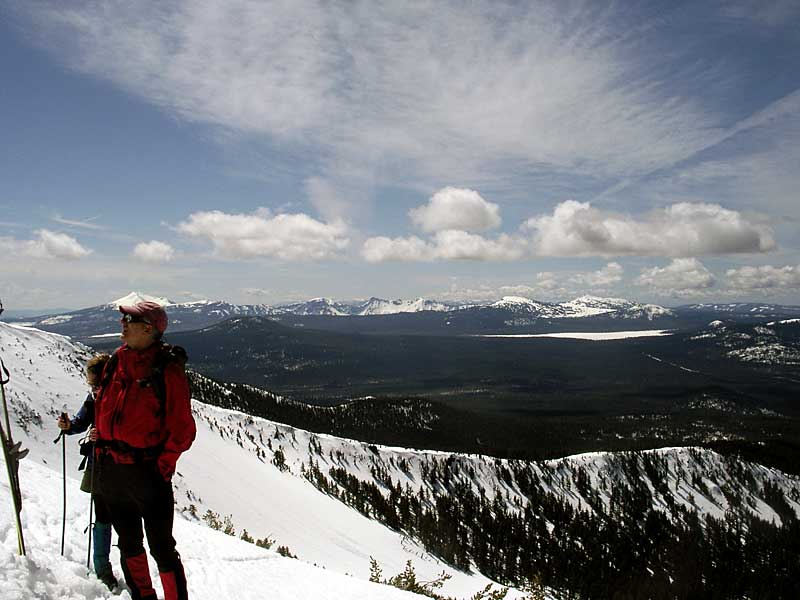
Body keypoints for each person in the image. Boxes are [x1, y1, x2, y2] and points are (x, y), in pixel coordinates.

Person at [93, 301, 196, 600]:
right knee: (128, 543)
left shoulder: (166, 368)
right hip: (114, 470)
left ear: (149, 328)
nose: (123, 323)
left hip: (147, 471)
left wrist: (162, 466)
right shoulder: (116, 360)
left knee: (162, 548)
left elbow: (183, 429)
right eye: (124, 318)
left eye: (130, 320)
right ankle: (143, 595)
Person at [57, 353, 118, 591]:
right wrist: (69, 425)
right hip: (106, 464)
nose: (92, 388)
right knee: (105, 515)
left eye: (94, 383)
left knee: (106, 517)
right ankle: (103, 567)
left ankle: (103, 567)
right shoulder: (98, 397)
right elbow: (81, 421)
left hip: (109, 464)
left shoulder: (115, 397)